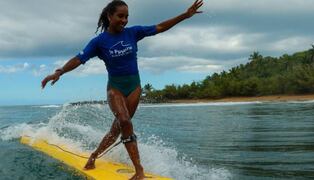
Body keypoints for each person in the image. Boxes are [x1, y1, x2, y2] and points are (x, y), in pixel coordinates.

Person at [41, 0, 203, 179]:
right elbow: (79, 59)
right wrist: (60, 72)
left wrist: (184, 15)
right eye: (120, 16)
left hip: (134, 86)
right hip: (115, 88)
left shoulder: (133, 33)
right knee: (125, 121)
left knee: (118, 129)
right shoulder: (99, 42)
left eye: (126, 16)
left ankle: (94, 155)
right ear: (110, 16)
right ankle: (139, 170)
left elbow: (160, 26)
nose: (124, 20)